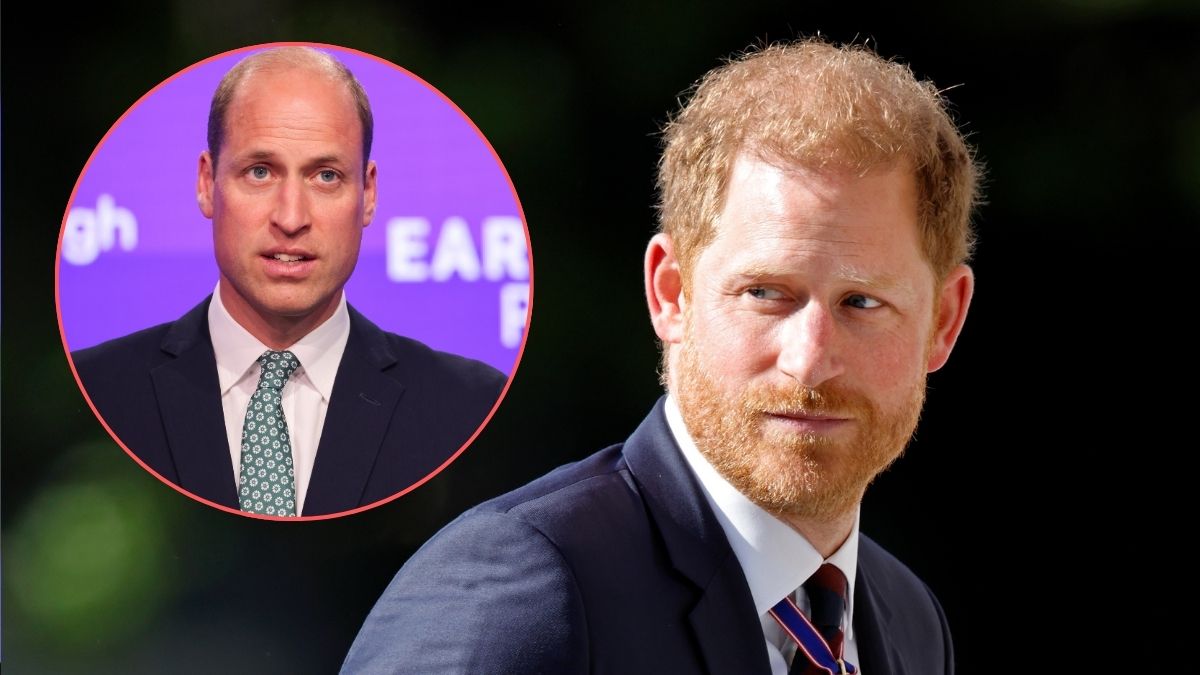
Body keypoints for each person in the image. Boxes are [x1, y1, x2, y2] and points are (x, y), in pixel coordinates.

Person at [342, 38, 977, 673]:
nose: (808, 362)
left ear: (943, 321)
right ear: (671, 293)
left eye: (861, 303)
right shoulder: (521, 593)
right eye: (764, 293)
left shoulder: (909, 621)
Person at [72, 47, 507, 518]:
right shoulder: (95, 391)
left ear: (368, 194)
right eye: (260, 172)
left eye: (326, 176)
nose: (291, 217)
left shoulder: (468, 406)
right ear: (206, 182)